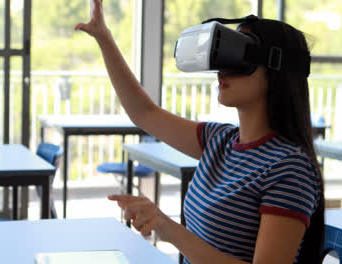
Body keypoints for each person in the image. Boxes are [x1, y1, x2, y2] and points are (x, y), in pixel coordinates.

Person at [75, 1, 325, 263]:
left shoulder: (290, 168)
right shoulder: (219, 141)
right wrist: (104, 38)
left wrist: (167, 228)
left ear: (276, 70)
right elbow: (144, 113)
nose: (222, 71)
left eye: (239, 59)